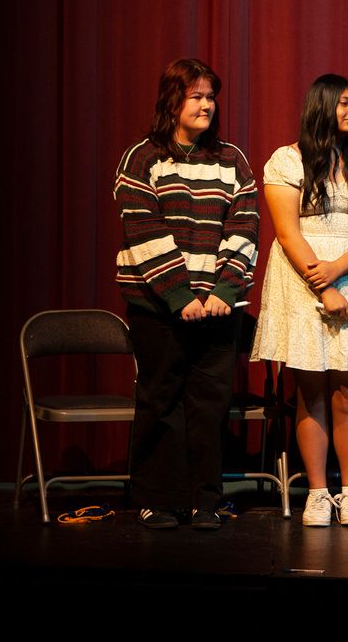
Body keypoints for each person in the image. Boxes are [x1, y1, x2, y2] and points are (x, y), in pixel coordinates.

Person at [114, 58, 259, 530]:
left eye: (210, 97)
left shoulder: (232, 160)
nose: (206, 105)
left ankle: (205, 501)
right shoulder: (143, 158)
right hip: (158, 307)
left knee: (210, 405)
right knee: (161, 401)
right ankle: (158, 499)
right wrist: (179, 295)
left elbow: (245, 226)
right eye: (196, 96)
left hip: (217, 308)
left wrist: (224, 289)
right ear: (172, 101)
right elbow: (144, 231)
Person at [251, 74, 348, 528]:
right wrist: (323, 285)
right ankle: (316, 492)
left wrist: (338, 271)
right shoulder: (287, 160)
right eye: (344, 103)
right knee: (309, 393)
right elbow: (287, 233)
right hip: (302, 279)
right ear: (321, 105)